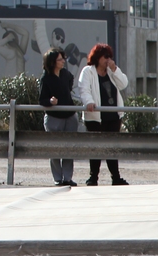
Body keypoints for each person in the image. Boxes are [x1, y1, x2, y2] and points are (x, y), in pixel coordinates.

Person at [75, 43, 129, 186]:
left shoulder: (111, 72)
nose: (108, 60)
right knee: (96, 147)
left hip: (112, 116)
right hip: (95, 117)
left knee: (112, 147)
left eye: (109, 57)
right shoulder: (88, 72)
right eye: (105, 57)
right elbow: (84, 89)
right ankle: (93, 177)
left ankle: (116, 177)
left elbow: (123, 84)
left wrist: (115, 69)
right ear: (98, 57)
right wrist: (89, 102)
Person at [39, 47, 78, 187]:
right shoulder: (46, 78)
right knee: (54, 149)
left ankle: (68, 177)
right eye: (60, 59)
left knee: (69, 148)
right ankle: (58, 178)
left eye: (63, 58)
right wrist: (50, 101)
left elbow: (69, 85)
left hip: (69, 116)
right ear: (52, 62)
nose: (63, 61)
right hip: (54, 118)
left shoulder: (66, 74)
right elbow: (41, 100)